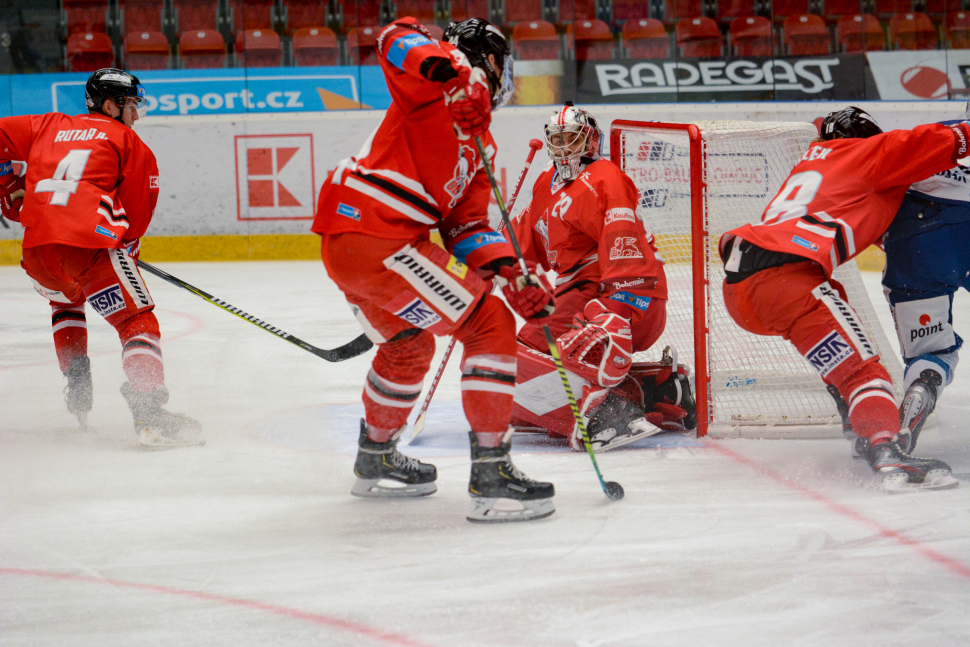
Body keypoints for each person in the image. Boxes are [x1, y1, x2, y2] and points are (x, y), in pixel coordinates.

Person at [312, 17, 556, 522]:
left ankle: (376, 458)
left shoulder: (480, 141)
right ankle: (492, 475)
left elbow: (465, 226)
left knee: (409, 345)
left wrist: (512, 272)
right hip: (380, 234)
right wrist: (448, 73)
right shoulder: (439, 76)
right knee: (489, 325)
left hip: (354, 245)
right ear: (492, 60)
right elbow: (394, 36)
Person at [719, 106, 963, 492]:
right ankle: (886, 449)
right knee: (864, 372)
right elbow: (932, 140)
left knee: (845, 346)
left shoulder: (814, 163)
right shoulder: (864, 152)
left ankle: (861, 423)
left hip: (744, 288)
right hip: (788, 282)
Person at [0, 68, 202, 448]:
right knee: (136, 320)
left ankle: (76, 379)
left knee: (66, 301)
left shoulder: (47, 124)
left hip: (37, 251)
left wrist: (7, 185)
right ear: (110, 105)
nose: (136, 115)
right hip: (86, 248)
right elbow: (136, 222)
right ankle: (150, 411)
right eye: (130, 105)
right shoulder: (129, 143)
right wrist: (125, 253)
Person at [506, 104, 696, 453]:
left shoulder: (603, 177)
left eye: (572, 139)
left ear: (590, 142)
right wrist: (492, 255)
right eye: (558, 140)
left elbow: (624, 241)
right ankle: (658, 391)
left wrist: (617, 310)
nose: (564, 148)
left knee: (509, 361)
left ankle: (605, 416)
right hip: (579, 290)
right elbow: (525, 240)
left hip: (617, 291)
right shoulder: (546, 182)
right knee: (525, 358)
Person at [881, 104, 970, 453]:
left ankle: (921, 388)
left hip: (914, 245)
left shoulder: (926, 137)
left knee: (931, 350)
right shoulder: (947, 135)